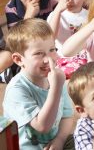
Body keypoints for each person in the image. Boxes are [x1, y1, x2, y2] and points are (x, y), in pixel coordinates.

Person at [3, 18, 74, 149]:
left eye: (52, 49)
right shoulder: (16, 89)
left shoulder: (55, 78)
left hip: (57, 141)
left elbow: (67, 116)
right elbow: (42, 126)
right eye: (39, 53)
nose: (48, 59)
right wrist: (56, 88)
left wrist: (59, 140)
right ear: (19, 59)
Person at [47, 0, 94, 78]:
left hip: (86, 57)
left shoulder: (89, 16)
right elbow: (49, 39)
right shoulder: (55, 16)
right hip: (62, 58)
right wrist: (57, 11)